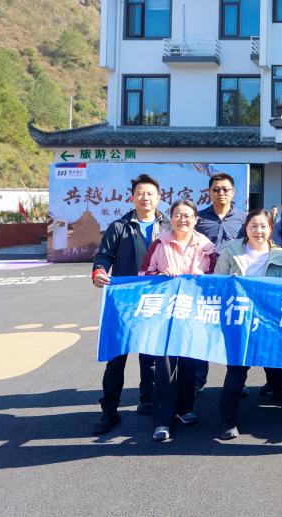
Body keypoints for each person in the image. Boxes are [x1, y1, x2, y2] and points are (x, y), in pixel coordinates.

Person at [90, 174, 168, 435]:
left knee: (152, 356)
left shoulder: (167, 226)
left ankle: (149, 403)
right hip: (124, 301)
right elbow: (104, 257)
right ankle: (109, 412)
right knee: (116, 359)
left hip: (155, 300)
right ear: (132, 197)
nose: (145, 198)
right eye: (140, 193)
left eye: (150, 194)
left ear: (159, 197)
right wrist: (99, 272)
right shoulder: (119, 227)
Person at [139, 198, 217, 442]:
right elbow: (143, 274)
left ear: (196, 219)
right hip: (165, 314)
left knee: (188, 362)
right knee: (165, 366)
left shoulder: (207, 246)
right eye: (178, 215)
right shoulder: (159, 243)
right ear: (170, 218)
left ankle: (185, 409)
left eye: (188, 215)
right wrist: (160, 275)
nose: (183, 220)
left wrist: (203, 277)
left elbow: (216, 278)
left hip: (193, 313)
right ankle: (163, 420)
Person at [214, 208, 282, 439]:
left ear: (271, 229)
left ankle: (279, 389)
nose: (259, 231)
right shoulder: (231, 250)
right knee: (238, 369)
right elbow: (217, 282)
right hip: (240, 318)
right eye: (253, 226)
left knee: (273, 359)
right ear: (246, 228)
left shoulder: (281, 255)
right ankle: (227, 419)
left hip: (269, 318)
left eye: (264, 226)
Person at [193, 173, 246, 394]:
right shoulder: (198, 218)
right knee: (202, 329)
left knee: (233, 331)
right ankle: (198, 380)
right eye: (216, 189)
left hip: (233, 283)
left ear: (233, 192)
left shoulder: (243, 219)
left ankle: (237, 381)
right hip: (205, 282)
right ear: (209, 192)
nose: (220, 193)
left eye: (225, 189)